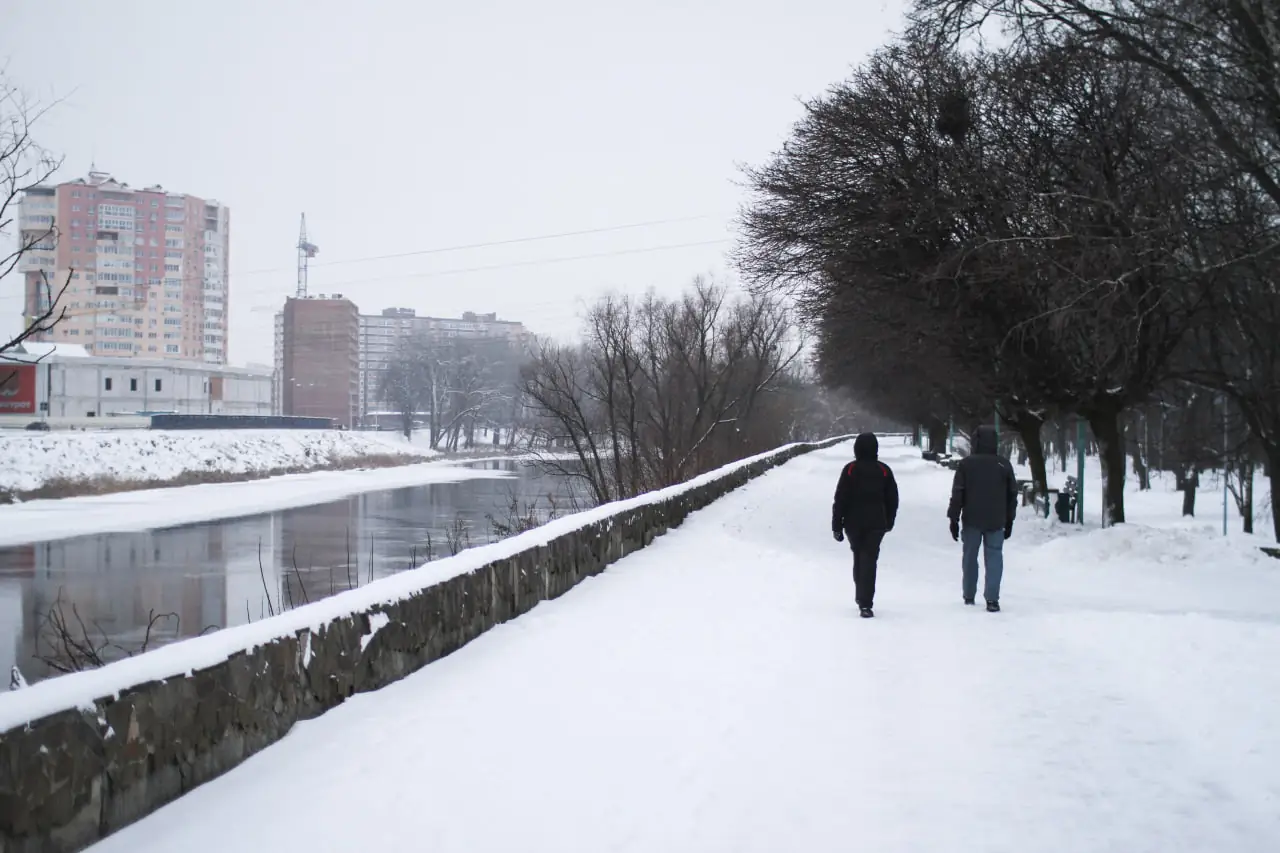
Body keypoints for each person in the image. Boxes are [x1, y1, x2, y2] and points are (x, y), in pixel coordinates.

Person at [946, 425, 1018, 612]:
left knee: (970, 556)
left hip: (972, 518)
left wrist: (953, 517)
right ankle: (992, 599)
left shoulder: (967, 465)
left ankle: (969, 593)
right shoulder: (1003, 465)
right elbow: (1012, 495)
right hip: (996, 519)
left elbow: (958, 493)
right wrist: (1010, 520)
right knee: (994, 557)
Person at [831, 432, 900, 618]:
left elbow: (840, 498)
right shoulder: (883, 470)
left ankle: (861, 595)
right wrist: (889, 521)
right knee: (870, 558)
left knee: (859, 556)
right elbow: (892, 498)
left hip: (853, 523)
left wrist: (837, 525)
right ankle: (865, 601)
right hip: (877, 522)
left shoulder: (850, 470)